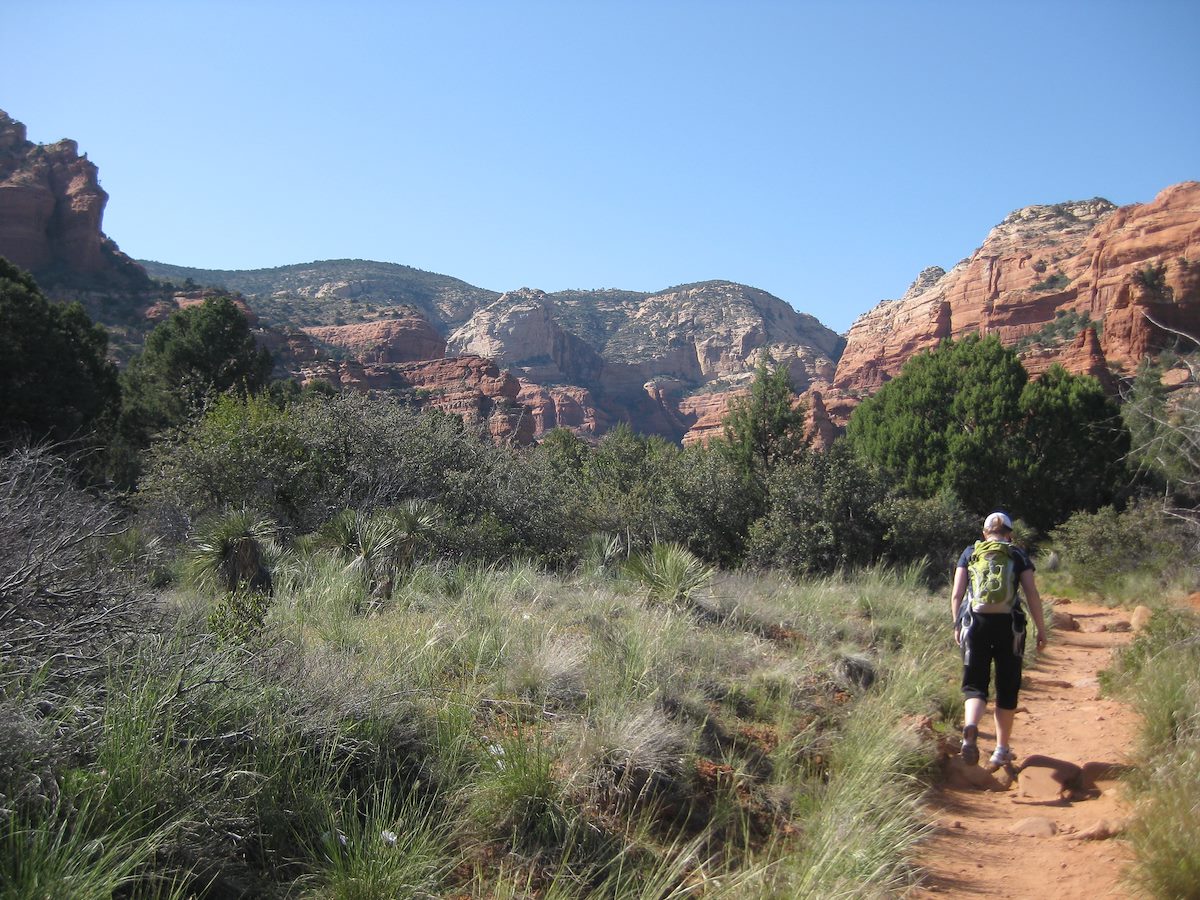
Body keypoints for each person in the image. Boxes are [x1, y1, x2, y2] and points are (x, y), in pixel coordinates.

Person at [952, 511, 1047, 769]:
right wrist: (1041, 628)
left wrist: (957, 624)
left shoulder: (971, 552)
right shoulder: (1016, 554)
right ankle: (1001, 750)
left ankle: (971, 726)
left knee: (975, 685)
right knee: (1007, 688)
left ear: (985, 533)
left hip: (975, 625)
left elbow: (957, 594)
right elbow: (1032, 593)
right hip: (1010, 627)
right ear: (1009, 533)